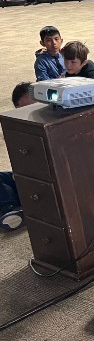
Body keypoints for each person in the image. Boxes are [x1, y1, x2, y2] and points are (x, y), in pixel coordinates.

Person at [0, 82, 36, 231]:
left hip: (41, 187)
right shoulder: (20, 131)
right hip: (24, 179)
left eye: (31, 107)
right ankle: (10, 209)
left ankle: (12, 209)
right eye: (21, 110)